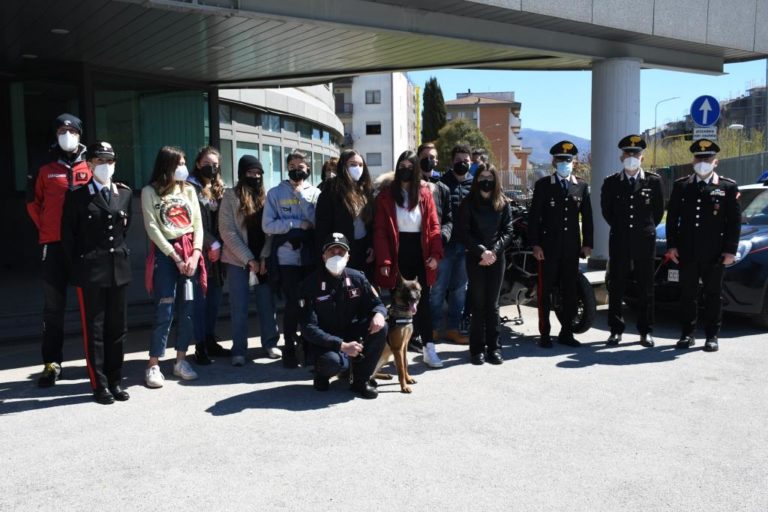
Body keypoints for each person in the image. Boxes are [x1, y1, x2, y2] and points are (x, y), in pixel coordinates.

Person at [60, 142, 131, 404]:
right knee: (95, 330)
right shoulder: (77, 196)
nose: (105, 166)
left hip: (118, 270)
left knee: (118, 329)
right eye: (100, 161)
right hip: (91, 272)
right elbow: (68, 237)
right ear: (89, 164)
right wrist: (79, 268)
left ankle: (115, 381)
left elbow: (123, 231)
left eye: (110, 161)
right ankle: (99, 385)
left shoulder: (124, 193)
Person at [26, 113, 91, 387]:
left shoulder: (92, 164)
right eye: (61, 130)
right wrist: (49, 230)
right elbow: (33, 204)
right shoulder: (44, 166)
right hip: (53, 246)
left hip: (85, 247)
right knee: (53, 308)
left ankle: (96, 363)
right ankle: (52, 363)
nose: (66, 135)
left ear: (79, 133)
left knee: (92, 307)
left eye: (71, 130)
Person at [665, 139, 741, 352]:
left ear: (716, 161)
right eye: (699, 158)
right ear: (693, 160)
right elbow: (672, 219)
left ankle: (711, 336)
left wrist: (730, 250)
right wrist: (672, 246)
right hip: (687, 251)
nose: (703, 162)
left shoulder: (727, 187)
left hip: (714, 252)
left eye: (707, 158)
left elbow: (734, 222)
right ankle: (687, 334)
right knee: (687, 294)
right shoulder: (682, 186)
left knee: (713, 295)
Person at [141, 146, 204, 387]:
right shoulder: (150, 191)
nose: (183, 168)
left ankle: (180, 360)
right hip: (167, 255)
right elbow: (152, 227)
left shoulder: (188, 190)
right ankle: (153, 364)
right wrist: (175, 257)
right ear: (167, 165)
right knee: (164, 308)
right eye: (179, 163)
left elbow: (197, 224)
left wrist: (195, 254)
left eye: (184, 163)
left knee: (187, 308)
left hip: (190, 254)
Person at [374, 150, 443, 368]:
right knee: (398, 303)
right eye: (401, 166)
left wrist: (435, 254)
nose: (405, 170)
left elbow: (434, 225)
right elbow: (380, 230)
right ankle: (396, 351)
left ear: (416, 170)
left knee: (423, 302)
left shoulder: (424, 192)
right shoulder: (386, 195)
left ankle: (429, 348)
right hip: (397, 251)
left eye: (410, 167)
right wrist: (384, 261)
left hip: (421, 251)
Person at [298, 233, 388, 399]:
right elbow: (308, 328)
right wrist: (342, 346)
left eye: (341, 252)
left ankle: (360, 381)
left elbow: (377, 304)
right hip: (324, 340)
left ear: (348, 257)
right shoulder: (310, 284)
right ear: (323, 256)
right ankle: (322, 374)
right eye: (332, 251)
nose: (336, 255)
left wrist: (379, 314)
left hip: (350, 332)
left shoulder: (357, 278)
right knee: (331, 362)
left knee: (381, 327)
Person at [528, 141, 593, 348]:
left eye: (568, 160)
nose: (565, 163)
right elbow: (534, 217)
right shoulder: (544, 185)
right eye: (560, 159)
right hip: (547, 249)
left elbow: (588, 217)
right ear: (554, 162)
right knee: (545, 291)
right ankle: (545, 333)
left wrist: (588, 243)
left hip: (571, 249)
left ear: (574, 162)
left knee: (570, 291)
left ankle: (566, 332)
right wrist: (535, 244)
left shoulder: (581, 186)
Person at [600, 135, 664, 348]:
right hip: (619, 240)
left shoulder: (653, 181)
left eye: (635, 154)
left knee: (646, 287)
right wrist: (622, 229)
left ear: (642, 157)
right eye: (627, 153)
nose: (631, 157)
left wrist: (642, 230)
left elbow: (657, 212)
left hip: (644, 241)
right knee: (616, 285)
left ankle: (646, 331)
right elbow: (607, 212)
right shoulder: (611, 182)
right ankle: (615, 330)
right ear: (621, 157)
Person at [219, 155, 282, 365]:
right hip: (238, 260)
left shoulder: (267, 196)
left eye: (258, 173)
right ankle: (239, 350)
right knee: (239, 306)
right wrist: (248, 259)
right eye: (250, 172)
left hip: (262, 259)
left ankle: (270, 343)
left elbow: (271, 231)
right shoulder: (230, 196)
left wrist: (263, 257)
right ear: (241, 174)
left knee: (267, 304)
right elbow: (227, 231)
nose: (255, 177)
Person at [263, 150, 321, 368]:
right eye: (292, 167)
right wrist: (295, 225)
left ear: (308, 169)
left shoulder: (315, 193)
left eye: (301, 167)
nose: (297, 171)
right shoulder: (275, 193)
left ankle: (309, 346)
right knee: (293, 303)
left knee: (310, 303)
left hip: (309, 257)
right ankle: (289, 346)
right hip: (286, 257)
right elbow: (267, 225)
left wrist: (302, 198)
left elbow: (317, 222)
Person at [457, 163, 514, 365]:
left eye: (490, 177)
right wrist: (482, 251)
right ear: (477, 179)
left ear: (495, 179)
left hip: (496, 258)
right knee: (478, 304)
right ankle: (477, 350)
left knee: (493, 305)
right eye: (482, 177)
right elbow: (463, 232)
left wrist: (493, 252)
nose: (486, 181)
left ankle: (495, 348)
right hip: (476, 258)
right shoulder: (468, 203)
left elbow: (508, 231)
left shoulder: (503, 202)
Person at [187, 146, 231, 364]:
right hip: (199, 250)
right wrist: (211, 243)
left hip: (219, 254)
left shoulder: (219, 188)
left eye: (215, 165)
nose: (211, 168)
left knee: (214, 300)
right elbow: (191, 222)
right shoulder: (189, 188)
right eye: (206, 163)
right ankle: (200, 345)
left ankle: (210, 339)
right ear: (197, 164)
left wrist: (220, 244)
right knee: (200, 301)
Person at [431, 144, 473, 345]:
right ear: (451, 162)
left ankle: (453, 329)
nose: (462, 164)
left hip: (466, 247)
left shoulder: (475, 185)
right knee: (438, 289)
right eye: (458, 160)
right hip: (445, 246)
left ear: (471, 162)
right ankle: (433, 329)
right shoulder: (441, 184)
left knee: (459, 290)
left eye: (466, 161)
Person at [412, 142, 452, 351]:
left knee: (431, 293)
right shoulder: (409, 185)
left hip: (435, 248)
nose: (429, 161)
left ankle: (428, 332)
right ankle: (412, 334)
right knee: (413, 293)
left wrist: (442, 238)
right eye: (425, 157)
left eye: (433, 157)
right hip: (413, 248)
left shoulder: (442, 188)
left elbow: (448, 219)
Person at [315, 149, 374, 277]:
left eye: (360, 165)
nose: (357, 168)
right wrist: (327, 251)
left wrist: (371, 245)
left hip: (363, 249)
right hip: (339, 250)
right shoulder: (331, 191)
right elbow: (322, 226)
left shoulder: (365, 190)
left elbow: (370, 222)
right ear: (343, 166)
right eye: (353, 164)